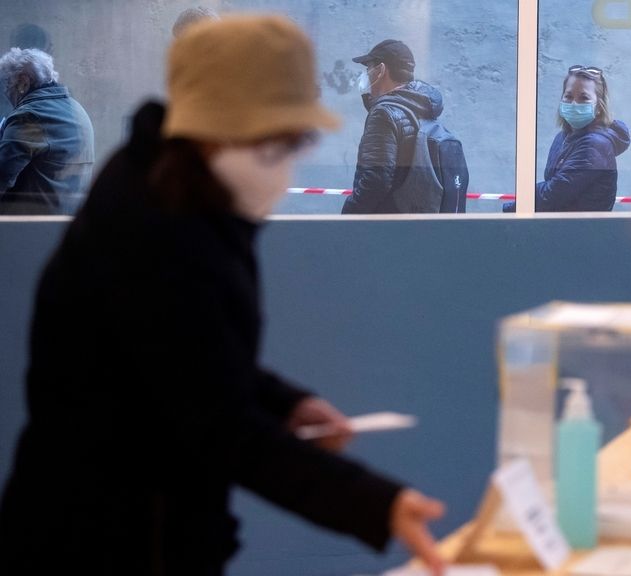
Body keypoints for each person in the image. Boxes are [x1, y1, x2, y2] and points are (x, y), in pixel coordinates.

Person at [0, 15, 445, 576]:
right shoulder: (156, 226)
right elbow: (215, 420)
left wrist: (285, 405)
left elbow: (190, 354)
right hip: (99, 545)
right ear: (225, 126)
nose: (290, 160)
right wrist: (375, 503)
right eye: (281, 139)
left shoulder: (178, 190)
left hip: (159, 529)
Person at [503, 65, 630, 212]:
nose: (574, 103)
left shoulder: (594, 145)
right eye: (568, 96)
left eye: (584, 98)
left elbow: (553, 194)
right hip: (561, 228)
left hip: (582, 231)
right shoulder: (563, 137)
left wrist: (509, 209)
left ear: (599, 106)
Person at [342, 39, 445, 213]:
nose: (366, 75)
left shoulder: (383, 113)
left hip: (387, 225)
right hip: (416, 224)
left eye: (368, 69)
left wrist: (349, 213)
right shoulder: (422, 108)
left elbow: (376, 179)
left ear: (381, 70)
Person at [0, 47, 94, 214]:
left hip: (26, 226)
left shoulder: (29, 116)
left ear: (23, 81)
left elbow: (2, 174)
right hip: (66, 220)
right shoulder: (77, 109)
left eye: (7, 84)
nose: (6, 94)